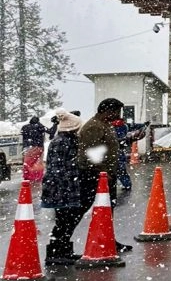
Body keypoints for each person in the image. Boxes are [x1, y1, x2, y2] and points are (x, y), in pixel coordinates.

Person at [77, 98, 133, 253]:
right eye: (117, 112)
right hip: (94, 176)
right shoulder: (94, 127)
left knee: (108, 209)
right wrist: (102, 172)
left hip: (106, 176)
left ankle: (108, 240)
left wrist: (130, 140)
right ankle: (61, 244)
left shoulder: (105, 125)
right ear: (108, 111)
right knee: (82, 208)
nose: (119, 116)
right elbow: (90, 153)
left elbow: (109, 145)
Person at [41, 109, 83, 265]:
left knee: (66, 221)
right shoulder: (62, 142)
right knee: (63, 221)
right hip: (61, 188)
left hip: (64, 187)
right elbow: (58, 169)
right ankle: (56, 253)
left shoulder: (68, 140)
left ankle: (63, 250)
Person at [20, 116, 57, 182]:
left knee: (27, 163)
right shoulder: (40, 126)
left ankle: (27, 177)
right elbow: (51, 132)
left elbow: (21, 136)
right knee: (37, 163)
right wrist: (55, 124)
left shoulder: (25, 127)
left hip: (26, 148)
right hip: (37, 147)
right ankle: (37, 178)